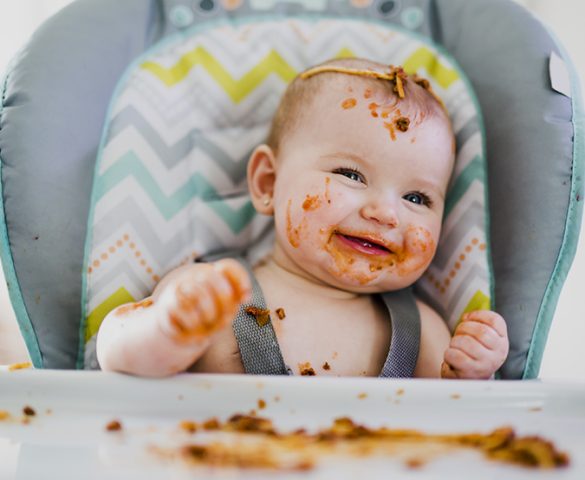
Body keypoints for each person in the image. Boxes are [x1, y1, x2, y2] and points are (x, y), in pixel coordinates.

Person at [96, 58, 509, 379]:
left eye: (417, 197)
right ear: (267, 182)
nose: (385, 213)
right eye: (350, 175)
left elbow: (453, 425)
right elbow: (115, 351)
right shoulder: (215, 295)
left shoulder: (422, 332)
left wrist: (471, 372)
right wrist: (168, 332)